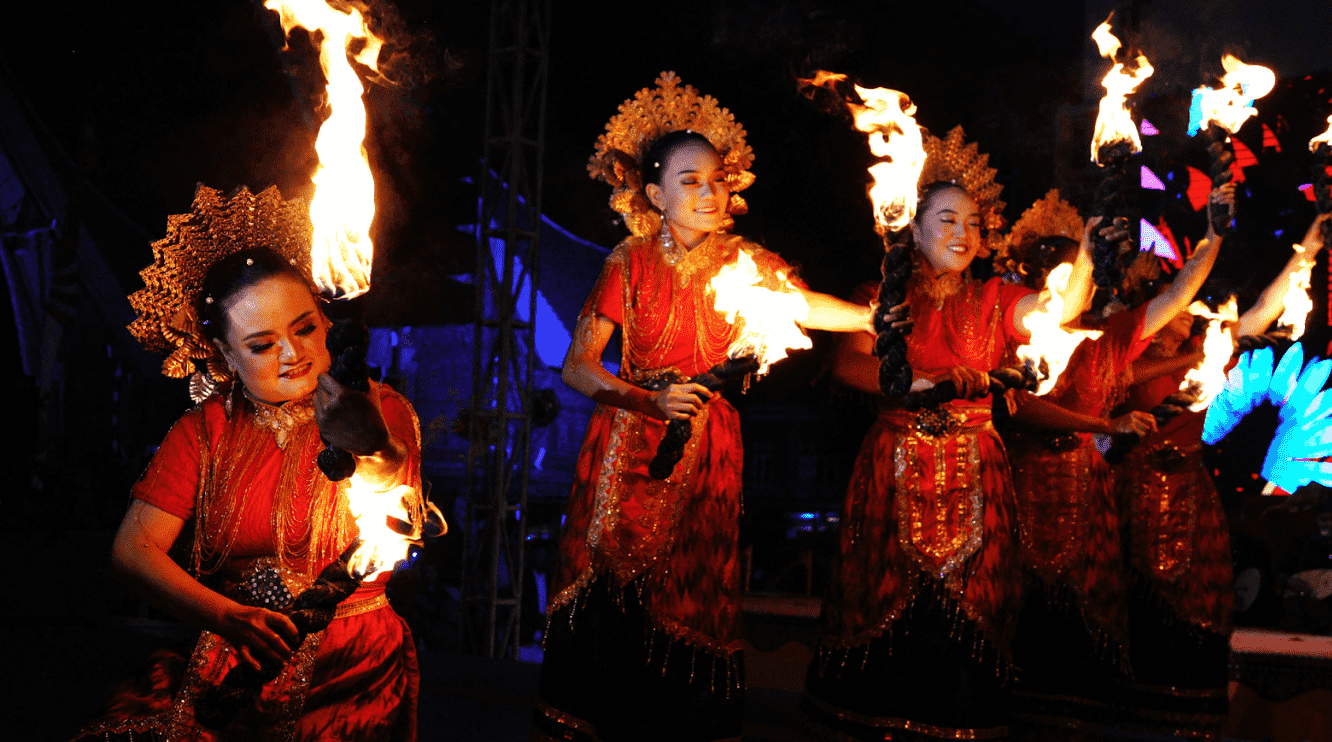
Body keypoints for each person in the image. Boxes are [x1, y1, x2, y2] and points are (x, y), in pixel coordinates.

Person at [532, 72, 879, 742]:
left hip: (709, 444)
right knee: (610, 592)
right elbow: (577, 367)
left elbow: (802, 306)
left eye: (718, 178)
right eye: (690, 180)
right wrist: (650, 398)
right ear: (656, 194)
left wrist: (871, 315)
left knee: (688, 589)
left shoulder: (745, 261)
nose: (709, 191)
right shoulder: (628, 261)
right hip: (626, 442)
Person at [73, 185, 427, 742]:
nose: (293, 353)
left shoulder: (378, 409)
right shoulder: (204, 430)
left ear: (327, 321)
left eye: (305, 327)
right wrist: (224, 616)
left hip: (351, 664)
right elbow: (132, 552)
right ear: (224, 358)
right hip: (231, 647)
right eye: (262, 346)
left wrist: (373, 448)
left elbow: (395, 513)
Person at [804, 128, 1095, 741]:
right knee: (885, 594)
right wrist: (920, 382)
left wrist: (1088, 254)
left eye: (973, 222)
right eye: (946, 220)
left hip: (975, 470)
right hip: (896, 464)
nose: (963, 234)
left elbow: (1058, 312)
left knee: (972, 603)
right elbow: (849, 366)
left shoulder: (995, 297)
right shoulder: (879, 296)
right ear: (913, 227)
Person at [998, 187, 1230, 734]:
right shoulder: (1016, 338)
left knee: (1086, 634)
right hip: (1026, 490)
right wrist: (1105, 425)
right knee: (1028, 626)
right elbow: (1021, 408)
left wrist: (1214, 238)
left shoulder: (1110, 338)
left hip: (1088, 494)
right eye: (1046, 268)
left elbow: (1178, 295)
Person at [1113, 209, 1329, 736]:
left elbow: (1261, 312)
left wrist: (1310, 245)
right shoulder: (1119, 351)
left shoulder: (1205, 354)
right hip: (1132, 492)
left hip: (1191, 495)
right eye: (1182, 307)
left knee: (1198, 613)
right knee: (1134, 607)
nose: (1193, 316)